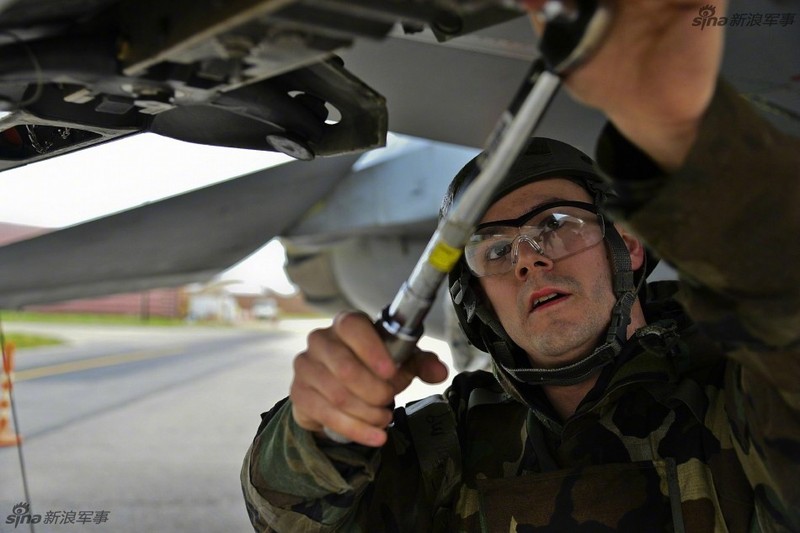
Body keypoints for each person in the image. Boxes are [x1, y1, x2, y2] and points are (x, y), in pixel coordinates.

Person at [242, 0, 800, 530]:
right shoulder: (442, 446)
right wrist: (312, 434)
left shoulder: (737, 400)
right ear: (478, 297)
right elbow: (287, 519)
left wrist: (680, 133)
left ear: (627, 247)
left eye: (556, 225)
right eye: (496, 249)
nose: (528, 258)